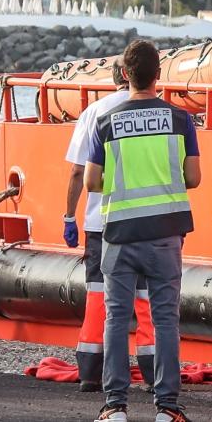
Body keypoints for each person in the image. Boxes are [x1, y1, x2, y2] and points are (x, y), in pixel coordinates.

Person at [84, 40, 201, 422]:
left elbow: (92, 181)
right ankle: (167, 408)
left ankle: (115, 406)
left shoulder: (105, 122)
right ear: (158, 74)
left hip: (118, 234)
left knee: (116, 318)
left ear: (124, 75)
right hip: (165, 234)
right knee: (165, 318)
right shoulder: (179, 119)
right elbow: (193, 178)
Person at [63, 62, 154, 393]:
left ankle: (90, 371)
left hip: (101, 222)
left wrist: (69, 216)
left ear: (116, 78)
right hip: (145, 221)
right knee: (145, 299)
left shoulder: (94, 112)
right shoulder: (157, 112)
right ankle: (153, 371)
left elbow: (77, 172)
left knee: (99, 296)